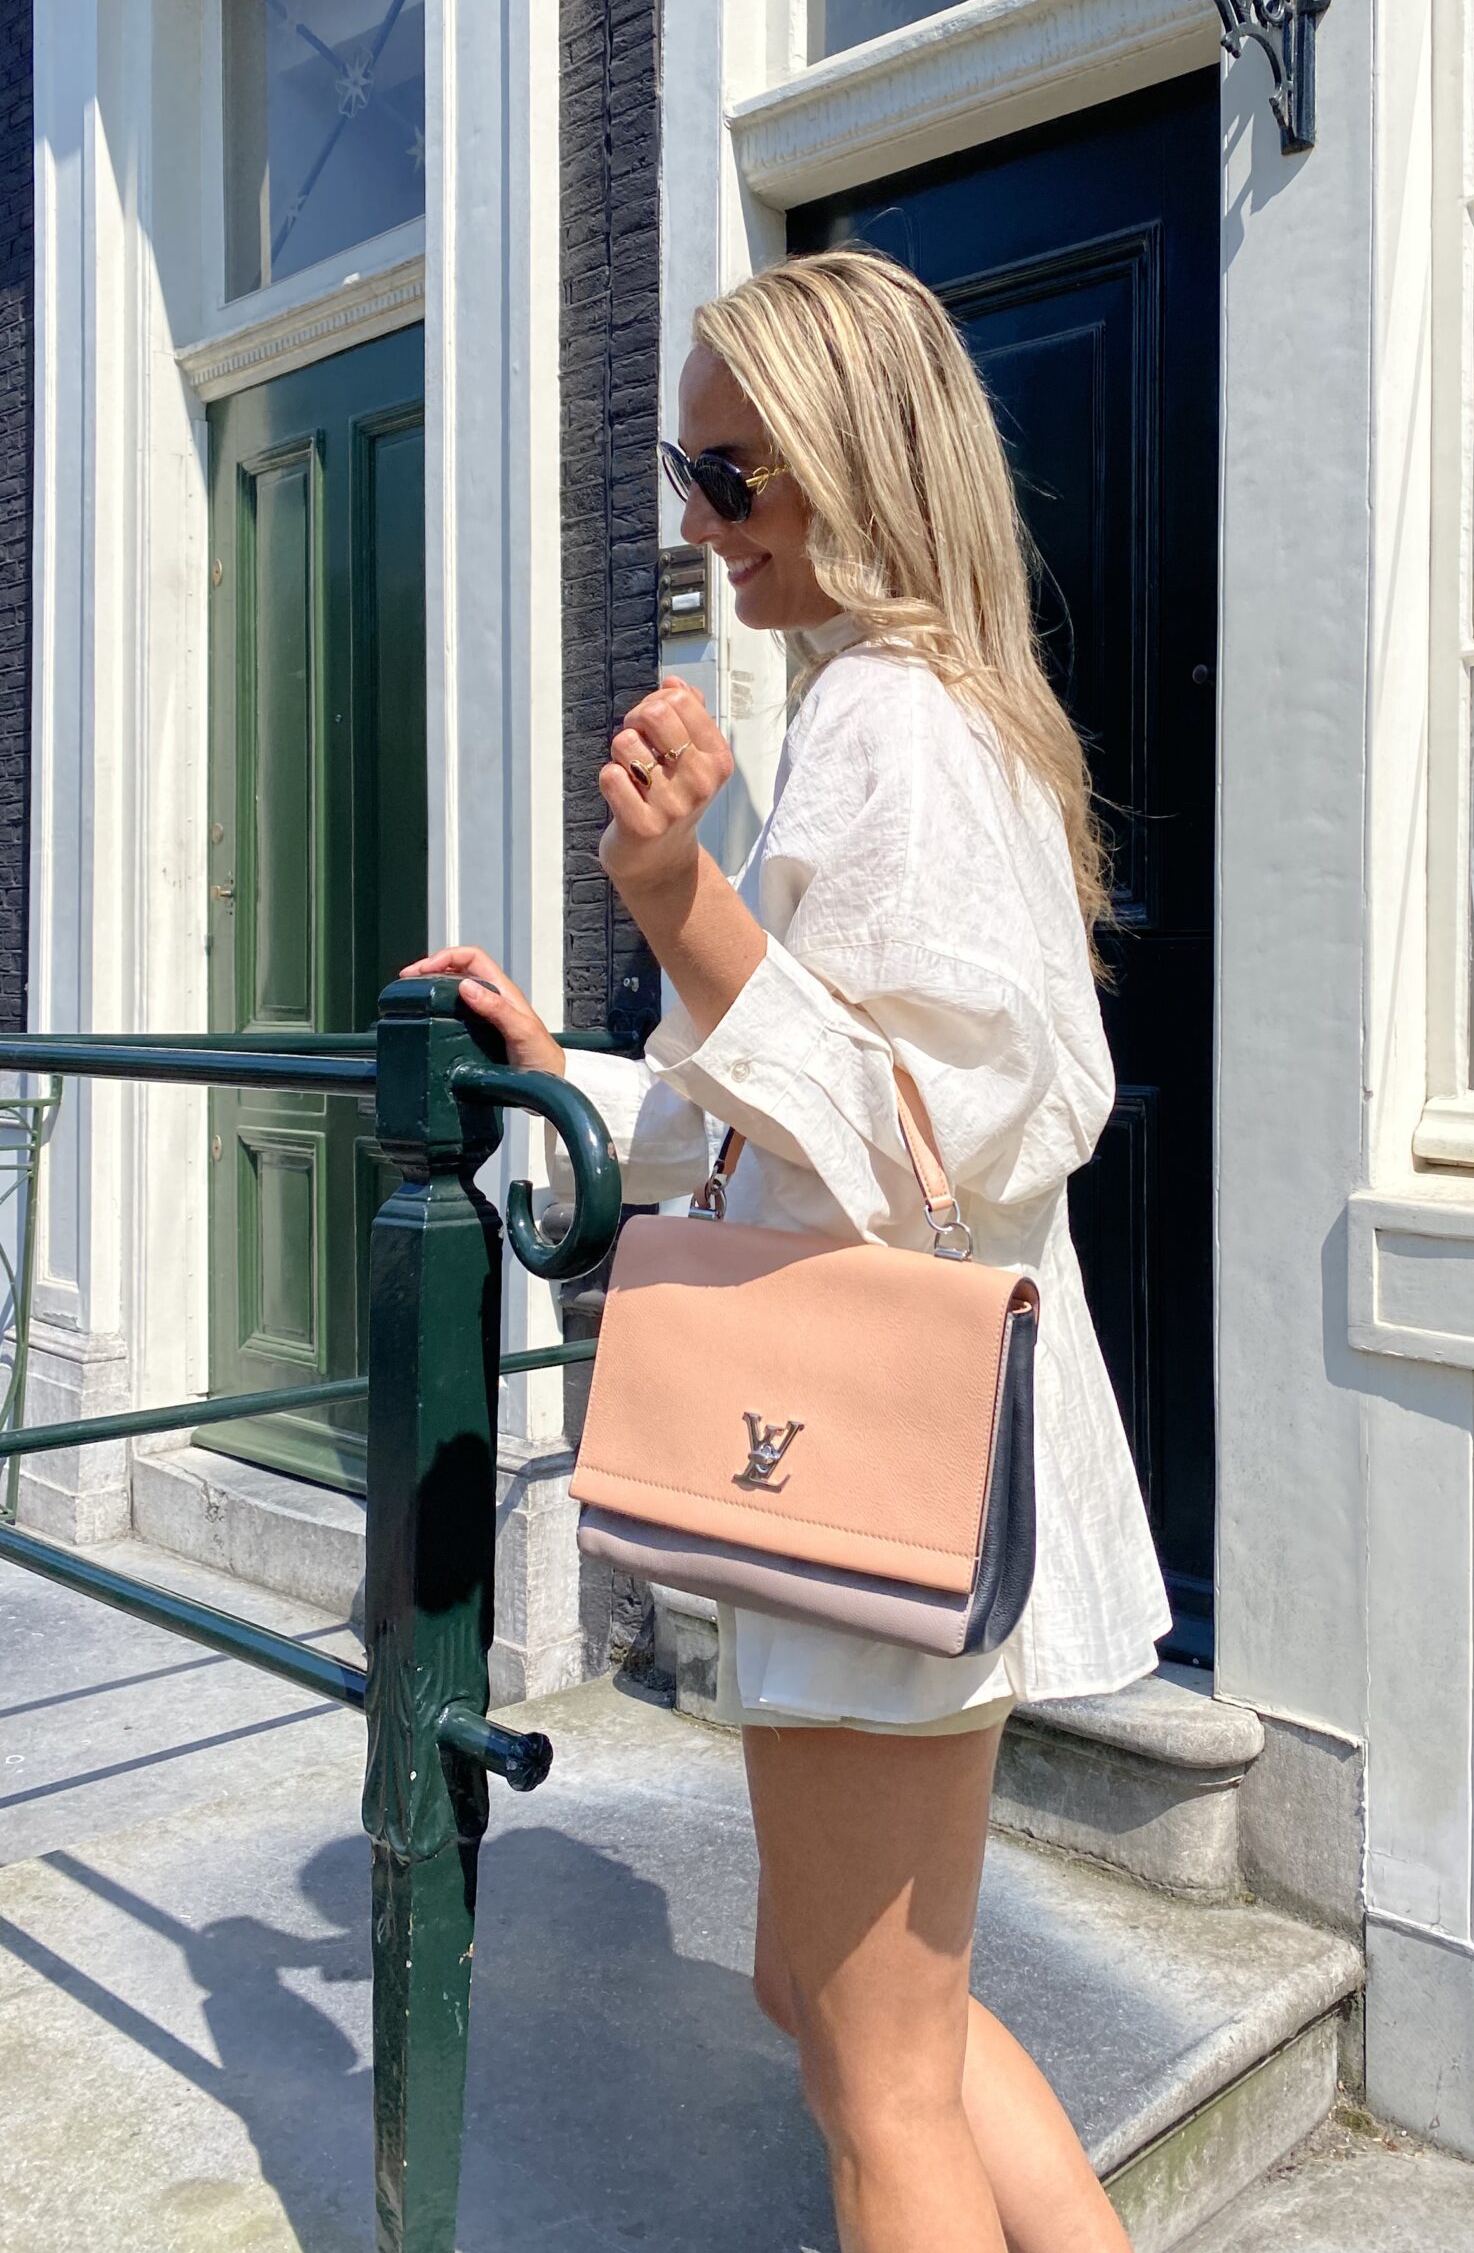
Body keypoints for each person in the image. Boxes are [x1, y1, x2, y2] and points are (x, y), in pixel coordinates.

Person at [404, 249, 1169, 2253]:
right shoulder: (902, 710)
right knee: (834, 2006)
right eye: (691, 470)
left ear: (859, 459)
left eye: (734, 475)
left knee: (872, 2076)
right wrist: (567, 1071)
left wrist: (677, 900)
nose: (701, 519)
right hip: (869, 1458)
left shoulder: (894, 722)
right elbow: (798, 1097)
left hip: (860, 1453)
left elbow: (932, 1136)